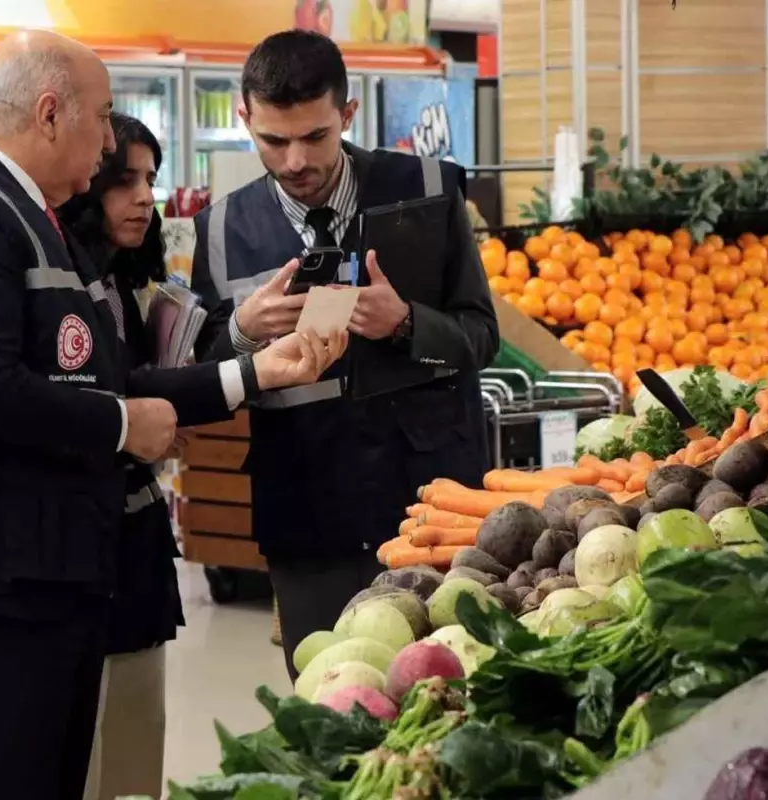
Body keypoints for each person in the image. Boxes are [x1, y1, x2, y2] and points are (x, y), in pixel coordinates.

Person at [0, 30, 345, 800]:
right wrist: (122, 428)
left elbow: (113, 378)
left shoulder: (35, 218)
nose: (110, 141)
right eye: (103, 116)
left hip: (43, 571)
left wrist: (251, 371)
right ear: (50, 113)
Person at [189, 30, 499, 680]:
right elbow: (199, 369)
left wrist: (407, 322)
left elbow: (480, 333)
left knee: (449, 691)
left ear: (348, 115)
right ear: (244, 118)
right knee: (330, 705)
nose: (296, 159)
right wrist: (241, 331)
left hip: (431, 506)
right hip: (305, 514)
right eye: (274, 141)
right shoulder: (220, 231)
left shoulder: (430, 188)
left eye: (316, 136)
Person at [54, 112, 179, 800]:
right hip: (79, 549)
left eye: (151, 180)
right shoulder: (59, 289)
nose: (143, 197)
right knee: (84, 753)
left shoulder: (127, 287)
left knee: (137, 744)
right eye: (123, 180)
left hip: (135, 542)